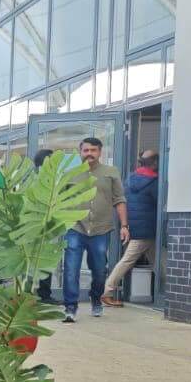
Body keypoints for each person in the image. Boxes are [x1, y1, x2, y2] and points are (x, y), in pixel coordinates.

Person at [62, 136, 127, 322]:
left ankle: (96, 298)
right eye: (86, 150)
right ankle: (70, 307)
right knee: (71, 268)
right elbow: (60, 200)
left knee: (99, 269)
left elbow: (119, 200)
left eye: (93, 150)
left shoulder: (111, 172)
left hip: (101, 228)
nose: (89, 153)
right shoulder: (70, 173)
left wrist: (124, 226)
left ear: (100, 152)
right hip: (75, 227)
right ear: (80, 152)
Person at [102, 149, 159, 306]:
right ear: (155, 163)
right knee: (127, 261)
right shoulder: (154, 182)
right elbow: (159, 203)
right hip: (147, 229)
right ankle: (107, 291)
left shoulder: (130, 179)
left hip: (134, 226)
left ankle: (166, 291)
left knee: (159, 262)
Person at [32, 149, 56, 303]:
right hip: (34, 227)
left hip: (49, 227)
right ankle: (35, 294)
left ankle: (44, 295)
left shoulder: (54, 180)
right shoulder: (35, 179)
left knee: (46, 262)